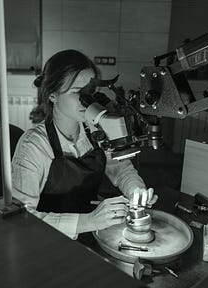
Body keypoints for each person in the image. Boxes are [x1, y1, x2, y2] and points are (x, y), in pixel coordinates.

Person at [11, 49, 157, 239]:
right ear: (53, 95)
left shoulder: (95, 129)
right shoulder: (33, 146)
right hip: (45, 239)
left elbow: (120, 168)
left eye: (91, 93)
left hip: (91, 231)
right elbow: (22, 218)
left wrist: (136, 191)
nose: (87, 102)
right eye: (77, 92)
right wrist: (87, 221)